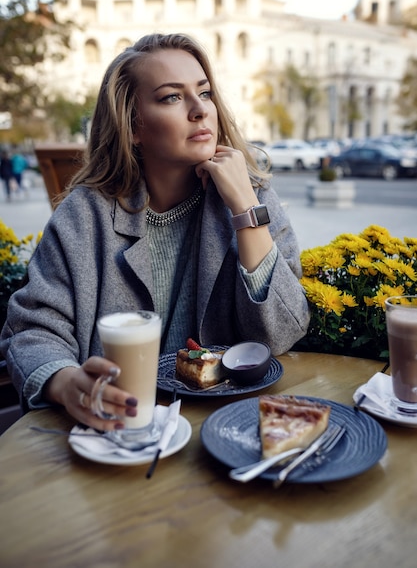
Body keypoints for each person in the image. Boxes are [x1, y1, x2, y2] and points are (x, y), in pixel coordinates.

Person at [0, 33, 310, 433]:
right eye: (172, 97)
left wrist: (245, 211)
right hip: (119, 432)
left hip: (227, 428)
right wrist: (64, 382)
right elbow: (32, 329)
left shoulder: (253, 196)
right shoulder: (84, 215)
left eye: (205, 92)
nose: (200, 111)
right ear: (133, 127)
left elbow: (282, 332)